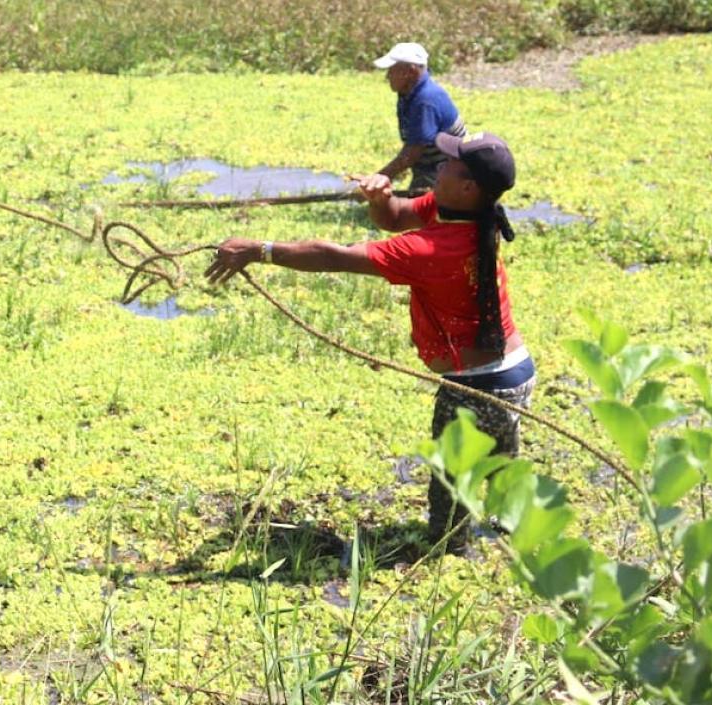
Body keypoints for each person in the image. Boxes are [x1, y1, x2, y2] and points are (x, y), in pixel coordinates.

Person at [205, 132, 534, 554]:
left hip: (478, 387)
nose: (440, 166)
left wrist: (260, 250)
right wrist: (380, 199)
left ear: (469, 186)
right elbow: (396, 216)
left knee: (449, 492)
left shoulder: (433, 249)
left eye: (450, 163)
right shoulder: (463, 211)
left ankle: (448, 553)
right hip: (514, 371)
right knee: (502, 465)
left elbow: (335, 256)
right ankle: (514, 531)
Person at [372, 42, 467, 194]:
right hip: (428, 164)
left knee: (409, 212)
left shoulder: (425, 100)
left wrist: (379, 178)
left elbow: (413, 153)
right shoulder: (408, 92)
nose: (387, 76)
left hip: (446, 169)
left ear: (410, 71)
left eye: (392, 70)